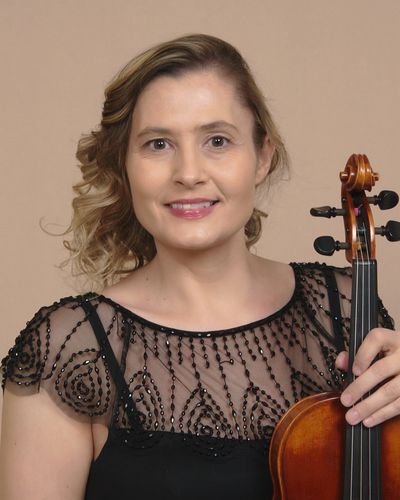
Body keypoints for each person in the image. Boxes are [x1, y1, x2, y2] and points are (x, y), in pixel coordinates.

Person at [0, 33, 398, 500]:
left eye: (217, 141)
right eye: (158, 144)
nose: (188, 173)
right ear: (124, 165)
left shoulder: (342, 307)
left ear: (262, 156)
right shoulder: (71, 347)